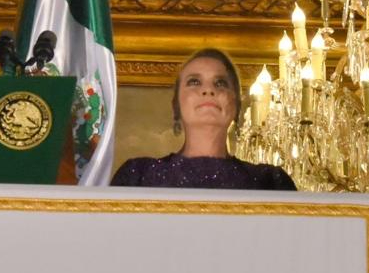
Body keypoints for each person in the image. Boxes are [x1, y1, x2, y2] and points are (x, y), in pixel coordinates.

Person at [112, 48, 295, 190]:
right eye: (194, 82)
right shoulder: (137, 177)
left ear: (236, 105)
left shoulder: (270, 181)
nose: (208, 90)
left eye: (220, 83)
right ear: (176, 104)